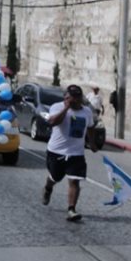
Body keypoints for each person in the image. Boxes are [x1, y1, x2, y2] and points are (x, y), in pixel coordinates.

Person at [42, 83, 96, 222]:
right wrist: (66, 108)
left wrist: (92, 143)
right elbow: (53, 122)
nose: (76, 101)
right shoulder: (57, 107)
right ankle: (48, 188)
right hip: (56, 151)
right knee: (55, 178)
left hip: (76, 153)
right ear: (66, 97)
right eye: (72, 98)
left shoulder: (87, 112)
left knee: (74, 181)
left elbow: (90, 127)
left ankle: (71, 209)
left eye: (78, 98)